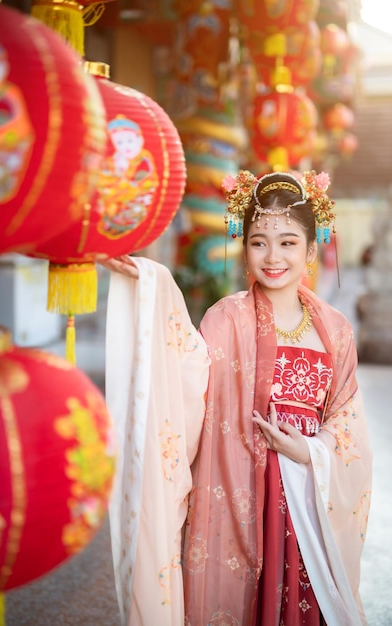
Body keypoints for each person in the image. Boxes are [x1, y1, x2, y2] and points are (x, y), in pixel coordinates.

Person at [102, 169, 372, 626]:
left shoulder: (336, 330)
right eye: (258, 241)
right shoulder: (224, 319)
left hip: (309, 498)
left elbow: (348, 421)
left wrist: (308, 449)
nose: (272, 256)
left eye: (288, 242)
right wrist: (153, 286)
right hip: (238, 492)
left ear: (311, 249)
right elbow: (187, 376)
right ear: (243, 245)